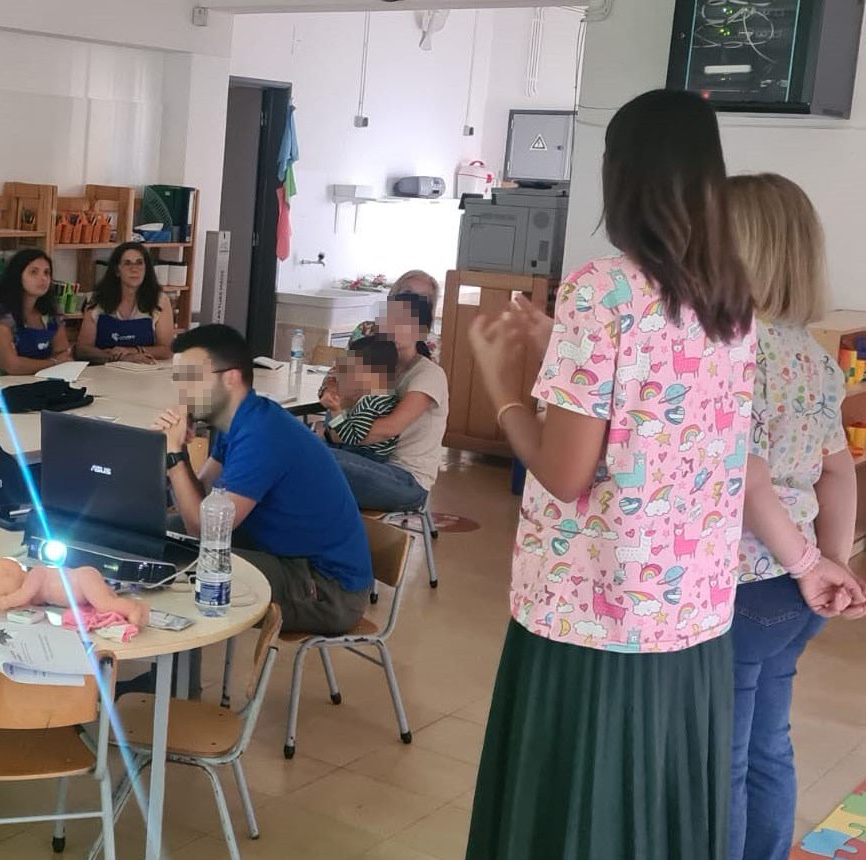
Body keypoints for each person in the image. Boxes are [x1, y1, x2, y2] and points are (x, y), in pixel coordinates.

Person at [463, 89, 756, 859]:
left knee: (578, 811)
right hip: (690, 613)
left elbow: (564, 473)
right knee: (656, 813)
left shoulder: (604, 288)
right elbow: (654, 407)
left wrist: (499, 386)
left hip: (594, 611)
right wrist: (559, 342)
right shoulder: (730, 302)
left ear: (620, 175)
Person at [724, 173, 866, 860]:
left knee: (722, 759)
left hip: (743, 587)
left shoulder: (731, 354)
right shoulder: (813, 358)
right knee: (767, 745)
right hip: (792, 597)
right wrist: (831, 561)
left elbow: (747, 478)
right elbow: (837, 470)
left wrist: (809, 564)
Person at [155, 323, 373, 635]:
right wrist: (180, 455)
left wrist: (174, 457)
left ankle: (175, 665)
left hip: (327, 589)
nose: (182, 390)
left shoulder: (262, 434)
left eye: (191, 378)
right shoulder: (239, 420)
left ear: (230, 378)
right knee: (157, 537)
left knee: (184, 568)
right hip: (285, 556)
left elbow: (203, 528)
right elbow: (203, 499)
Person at [318, 292, 448, 511]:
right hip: (360, 457)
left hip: (405, 479)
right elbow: (333, 381)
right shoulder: (375, 361)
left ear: (422, 332)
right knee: (297, 446)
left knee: (316, 458)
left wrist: (333, 434)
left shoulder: (429, 374)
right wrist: (332, 389)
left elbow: (388, 429)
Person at [0, 248, 73, 379]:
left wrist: (56, 362)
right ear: (17, 276)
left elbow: (63, 354)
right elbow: (11, 365)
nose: (43, 278)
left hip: (32, 382)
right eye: (34, 272)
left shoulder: (51, 314)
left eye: (47, 273)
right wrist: (54, 363)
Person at [75, 242, 175, 364]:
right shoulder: (96, 300)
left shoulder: (160, 301)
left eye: (139, 263)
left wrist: (132, 351)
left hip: (145, 370)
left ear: (146, 269)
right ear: (117, 270)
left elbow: (167, 349)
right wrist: (122, 358)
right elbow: (82, 350)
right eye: (127, 263)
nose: (134, 269)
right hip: (105, 370)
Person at [322, 337, 401, 463]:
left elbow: (351, 438)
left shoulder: (370, 402)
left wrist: (335, 410)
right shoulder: (388, 394)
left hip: (362, 455)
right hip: (372, 454)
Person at [350, 269, 440, 355]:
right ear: (395, 294)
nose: (413, 299)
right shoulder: (365, 330)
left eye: (422, 297)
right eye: (408, 292)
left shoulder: (431, 343)